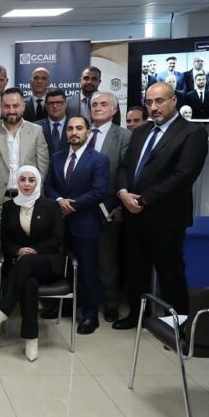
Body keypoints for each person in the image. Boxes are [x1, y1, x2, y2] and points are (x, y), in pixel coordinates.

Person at [114, 82, 209, 329]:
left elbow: (183, 175)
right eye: (149, 102)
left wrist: (143, 199)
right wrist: (123, 193)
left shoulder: (192, 132)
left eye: (159, 101)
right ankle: (136, 315)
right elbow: (124, 167)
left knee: (170, 272)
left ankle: (177, 325)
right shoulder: (140, 132)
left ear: (174, 100)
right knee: (136, 269)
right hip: (134, 215)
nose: (154, 107)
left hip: (166, 217)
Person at [0, 166, 63, 361]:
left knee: (26, 264)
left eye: (31, 180)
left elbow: (57, 239)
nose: (26, 184)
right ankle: (31, 339)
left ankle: (3, 310)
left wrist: (32, 251)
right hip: (20, 264)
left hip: (46, 262)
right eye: (22, 179)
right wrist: (18, 250)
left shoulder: (51, 206)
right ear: (17, 182)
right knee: (29, 284)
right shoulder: (9, 207)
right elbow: (6, 240)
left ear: (37, 183)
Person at [44, 116, 109, 335]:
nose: (74, 132)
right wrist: (58, 201)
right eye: (70, 128)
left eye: (79, 128)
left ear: (88, 132)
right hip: (59, 224)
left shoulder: (99, 159)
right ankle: (60, 306)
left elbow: (99, 192)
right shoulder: (57, 157)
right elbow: (48, 185)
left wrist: (70, 205)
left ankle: (90, 315)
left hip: (85, 224)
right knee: (59, 267)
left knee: (87, 271)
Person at [0, 88, 49, 254]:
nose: (11, 110)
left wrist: (37, 194)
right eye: (7, 106)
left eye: (15, 106)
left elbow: (42, 166)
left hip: (28, 200)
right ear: (1, 107)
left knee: (25, 248)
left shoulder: (36, 130)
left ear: (23, 106)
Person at [89, 92, 131, 323]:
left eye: (103, 104)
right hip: (81, 205)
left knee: (107, 258)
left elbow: (126, 172)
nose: (97, 108)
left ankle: (110, 303)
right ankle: (85, 301)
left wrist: (121, 206)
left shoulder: (124, 136)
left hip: (109, 205)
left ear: (114, 110)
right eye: (94, 104)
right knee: (84, 255)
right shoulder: (81, 132)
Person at [34, 88, 69, 157]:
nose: (55, 106)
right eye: (51, 103)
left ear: (65, 104)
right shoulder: (35, 127)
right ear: (46, 106)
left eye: (58, 103)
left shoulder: (74, 125)